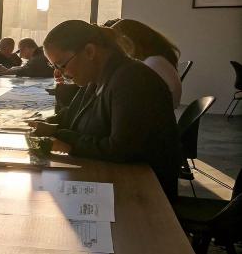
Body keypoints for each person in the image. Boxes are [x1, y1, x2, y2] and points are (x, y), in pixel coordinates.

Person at [29, 20, 181, 200]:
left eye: (62, 65)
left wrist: (65, 140)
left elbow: (120, 149)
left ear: (89, 52)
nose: (61, 74)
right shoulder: (96, 78)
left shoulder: (132, 79)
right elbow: (72, 115)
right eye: (55, 67)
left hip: (143, 193)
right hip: (112, 176)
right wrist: (47, 125)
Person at [110, 18, 182, 106]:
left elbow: (131, 95)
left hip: (155, 113)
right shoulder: (156, 60)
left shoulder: (152, 64)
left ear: (129, 41)